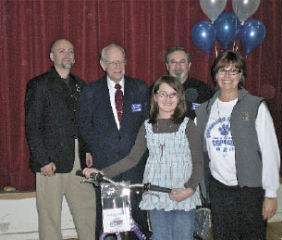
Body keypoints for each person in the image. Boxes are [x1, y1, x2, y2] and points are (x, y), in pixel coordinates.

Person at [83, 75, 203, 240]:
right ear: (154, 97)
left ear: (180, 97)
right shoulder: (147, 126)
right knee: (161, 237)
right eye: (163, 94)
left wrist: (189, 189)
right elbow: (132, 158)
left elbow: (198, 161)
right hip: (157, 195)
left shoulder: (188, 125)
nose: (167, 99)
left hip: (184, 193)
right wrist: (103, 173)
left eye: (173, 94)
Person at [195, 50, 280, 240]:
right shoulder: (203, 111)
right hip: (218, 190)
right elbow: (197, 153)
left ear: (241, 75)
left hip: (250, 190)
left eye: (234, 71)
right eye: (222, 70)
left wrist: (271, 194)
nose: (227, 76)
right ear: (215, 74)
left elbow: (270, 152)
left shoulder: (255, 106)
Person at [24, 39, 96, 240]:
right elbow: (32, 126)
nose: (67, 55)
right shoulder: (39, 85)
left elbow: (84, 121)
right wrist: (42, 160)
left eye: (70, 51)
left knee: (87, 210)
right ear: (52, 57)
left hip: (78, 158)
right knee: (49, 216)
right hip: (50, 160)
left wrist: (87, 149)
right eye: (61, 51)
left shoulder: (80, 85)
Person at [78, 43, 149, 239]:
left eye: (121, 61)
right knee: (108, 224)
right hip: (105, 166)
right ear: (102, 64)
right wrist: (100, 149)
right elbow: (84, 126)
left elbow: (147, 124)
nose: (117, 66)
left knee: (138, 220)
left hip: (135, 167)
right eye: (112, 62)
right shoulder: (91, 91)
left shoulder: (140, 88)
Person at [163, 46, 213, 119]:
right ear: (167, 66)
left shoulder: (203, 90)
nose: (178, 66)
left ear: (189, 65)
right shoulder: (157, 89)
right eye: (173, 62)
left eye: (182, 62)